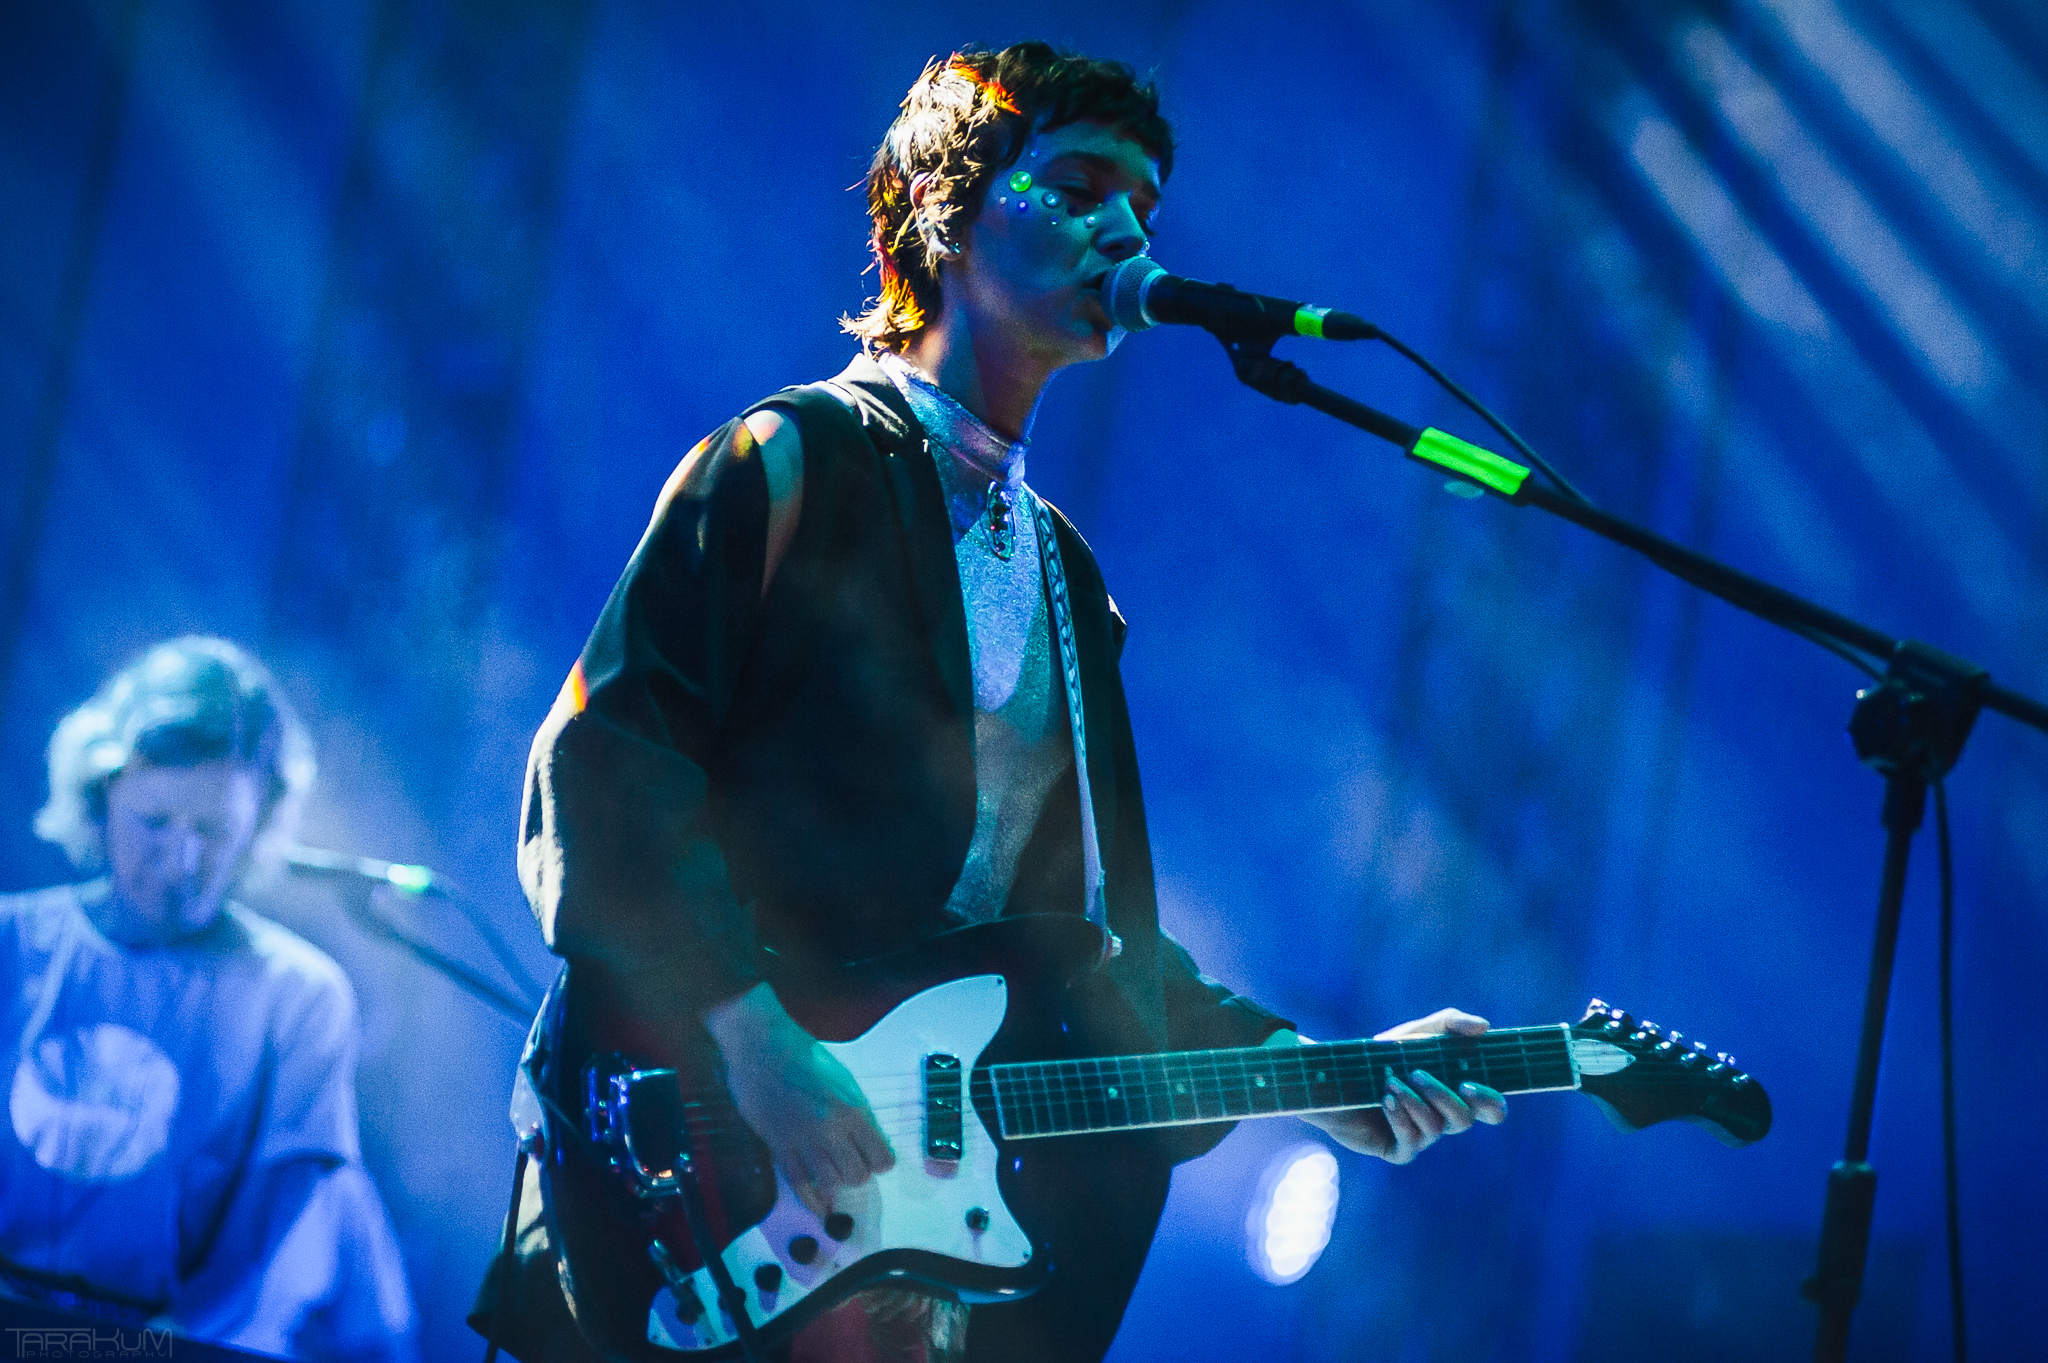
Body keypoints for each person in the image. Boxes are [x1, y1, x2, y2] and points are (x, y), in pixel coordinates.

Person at [514, 44, 1506, 1363]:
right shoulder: (791, 458)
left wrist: (1326, 1075)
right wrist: (753, 1036)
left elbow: (1090, 957)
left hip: (902, 1253)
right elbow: (602, 767)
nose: (1126, 231)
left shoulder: (1066, 576)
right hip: (696, 1172)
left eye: (1144, 207)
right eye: (1080, 187)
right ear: (947, 208)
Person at [0, 637, 418, 1362]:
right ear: (101, 794)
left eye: (214, 831)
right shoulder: (12, 945)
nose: (182, 861)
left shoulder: (300, 999)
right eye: (156, 823)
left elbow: (269, 1247)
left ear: (259, 828)